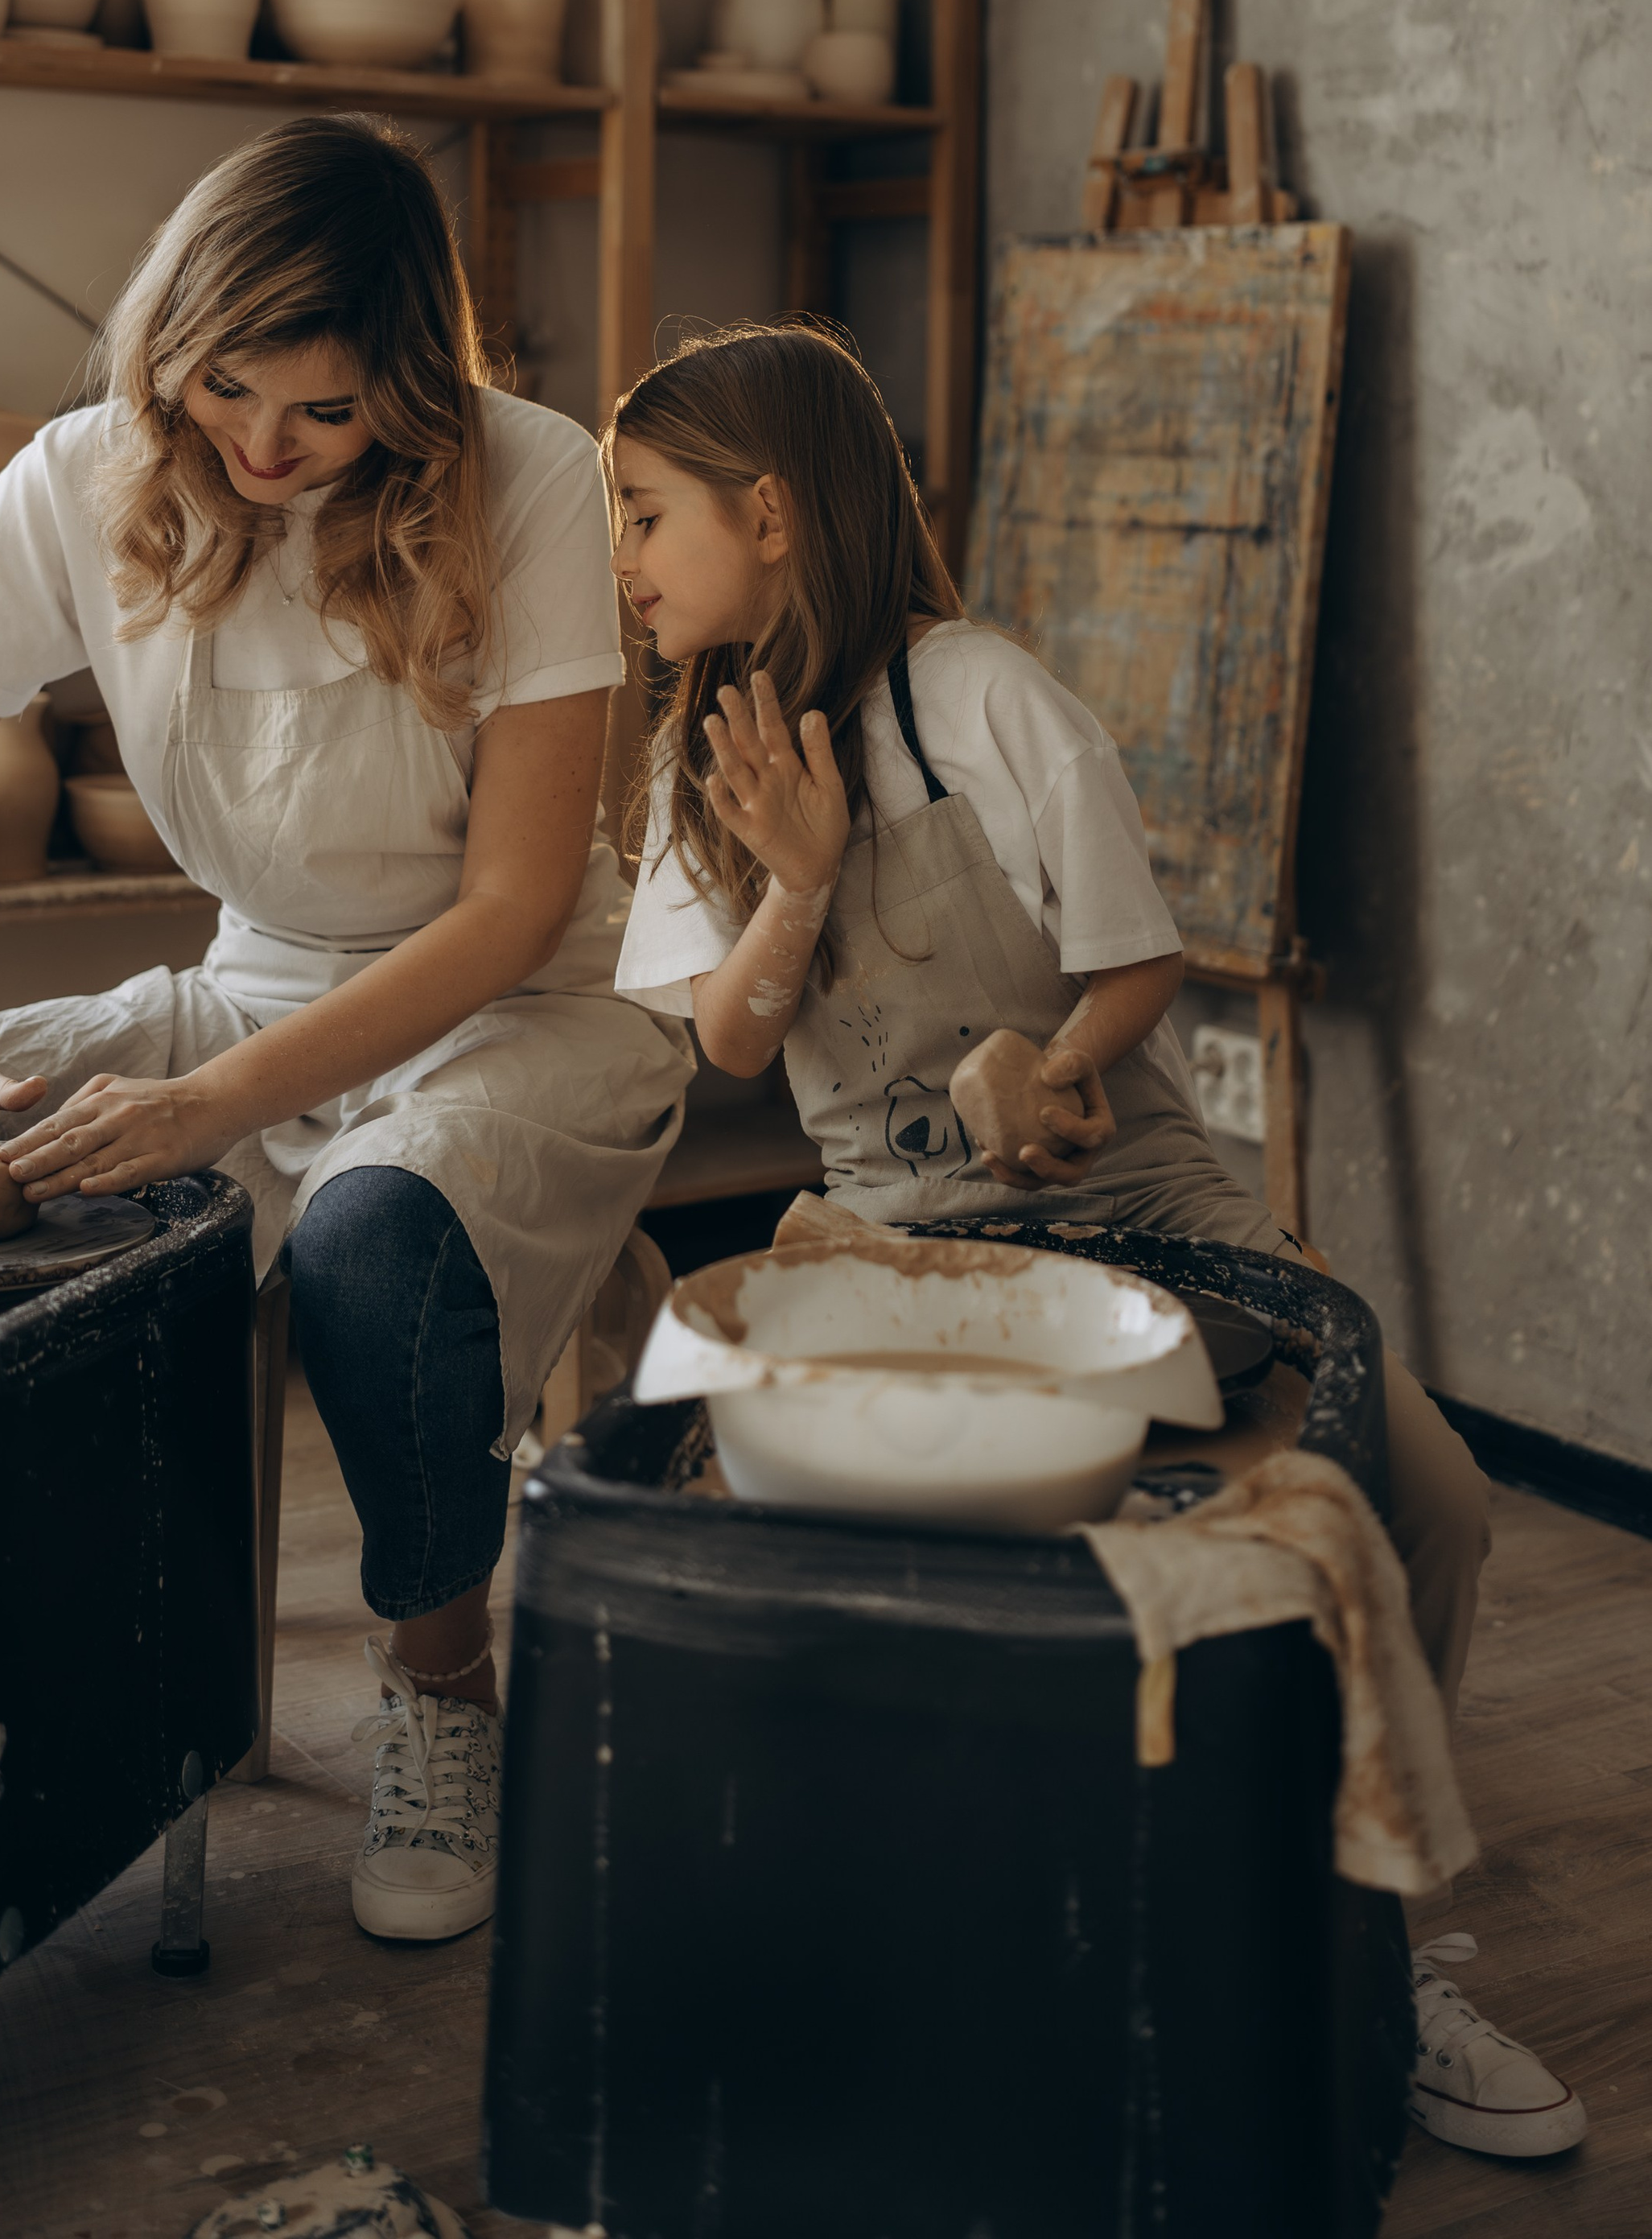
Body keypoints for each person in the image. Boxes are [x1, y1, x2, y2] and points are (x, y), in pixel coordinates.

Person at [603, 319, 1584, 2165]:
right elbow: (731, 1043)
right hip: (895, 1231)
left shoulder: (979, 696)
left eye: (646, 515)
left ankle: (1354, 1923)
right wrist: (798, 876)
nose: (627, 563)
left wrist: (1050, 1067)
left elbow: (1139, 963)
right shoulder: (702, 762)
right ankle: (942, 1930)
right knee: (860, 1534)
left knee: (1425, 1490)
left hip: (1131, 1194)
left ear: (771, 512)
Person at [0, 117, 691, 1945]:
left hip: (525, 1006)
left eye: (319, 414)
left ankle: (438, 1690)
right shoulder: (87, 473)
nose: (256, 447)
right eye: (222, 386)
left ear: (409, 387)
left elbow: (507, 910)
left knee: (370, 1235)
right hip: (251, 982)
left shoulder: (533, 476)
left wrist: (205, 1111)